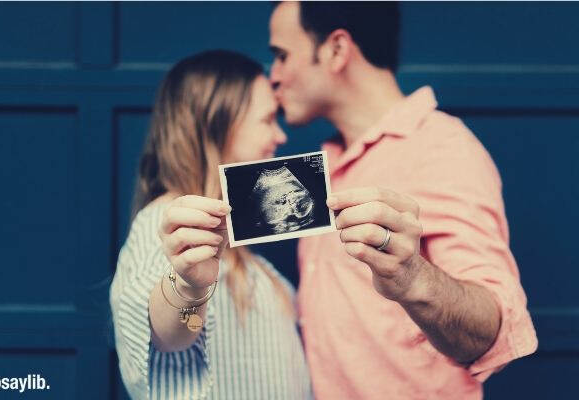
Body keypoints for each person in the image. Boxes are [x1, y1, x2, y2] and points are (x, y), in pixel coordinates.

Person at [268, 2, 538, 399]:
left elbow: (491, 332)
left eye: (281, 55)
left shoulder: (441, 148)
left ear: (337, 50)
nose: (272, 76)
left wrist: (412, 277)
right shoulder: (322, 166)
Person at [109, 50, 312, 400]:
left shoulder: (238, 249)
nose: (280, 136)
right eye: (267, 120)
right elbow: (172, 334)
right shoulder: (168, 225)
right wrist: (190, 289)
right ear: (216, 125)